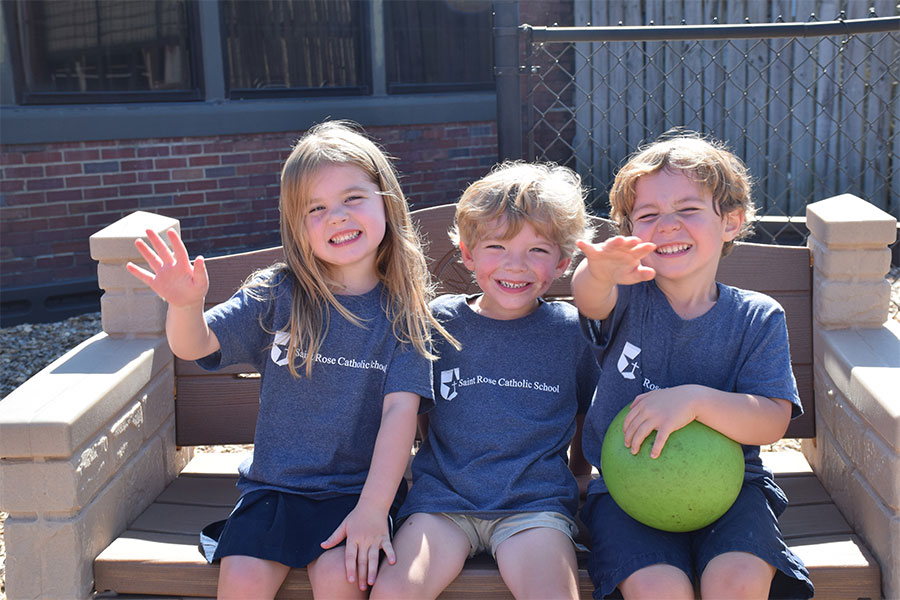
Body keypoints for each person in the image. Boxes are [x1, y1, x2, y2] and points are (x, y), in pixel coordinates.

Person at [126, 121, 454, 599]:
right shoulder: (279, 294)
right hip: (273, 489)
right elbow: (193, 345)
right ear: (296, 227)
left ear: (387, 201)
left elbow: (400, 414)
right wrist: (183, 305)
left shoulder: (404, 313)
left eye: (352, 198)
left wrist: (370, 510)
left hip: (355, 493)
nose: (336, 217)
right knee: (240, 580)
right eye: (315, 209)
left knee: (342, 578)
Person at [572, 131, 814, 599]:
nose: (667, 225)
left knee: (739, 583)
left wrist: (697, 402)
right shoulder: (624, 299)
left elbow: (771, 419)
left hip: (734, 491)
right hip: (626, 494)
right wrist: (599, 270)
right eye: (648, 215)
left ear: (731, 221)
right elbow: (590, 298)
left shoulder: (757, 317)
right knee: (660, 589)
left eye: (687, 210)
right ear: (630, 232)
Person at [370, 161, 601, 600]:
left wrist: (577, 477)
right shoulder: (438, 323)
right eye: (496, 246)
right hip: (441, 507)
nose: (516, 265)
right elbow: (418, 411)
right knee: (394, 592)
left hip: (534, 507)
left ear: (564, 261)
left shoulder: (571, 331)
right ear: (468, 253)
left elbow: (585, 412)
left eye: (537, 250)